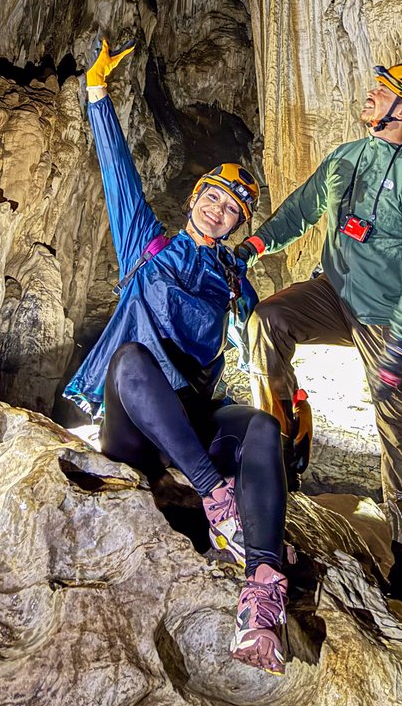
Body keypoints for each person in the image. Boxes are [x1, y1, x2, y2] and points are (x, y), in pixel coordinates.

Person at [63, 39, 290, 674]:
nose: (220, 210)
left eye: (234, 210)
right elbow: (119, 174)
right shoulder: (148, 245)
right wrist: (97, 95)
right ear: (195, 199)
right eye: (214, 198)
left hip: (189, 422)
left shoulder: (233, 281)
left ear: (238, 225)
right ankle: (218, 502)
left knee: (262, 428)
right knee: (132, 359)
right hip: (135, 425)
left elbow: (267, 337)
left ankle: (261, 591)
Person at [235, 62, 402, 605]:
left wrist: (401, 344)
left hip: (387, 316)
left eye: (385, 92)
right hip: (332, 292)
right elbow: (301, 211)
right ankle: (284, 437)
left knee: (400, 435)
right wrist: (253, 247)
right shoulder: (345, 159)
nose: (371, 94)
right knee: (268, 321)